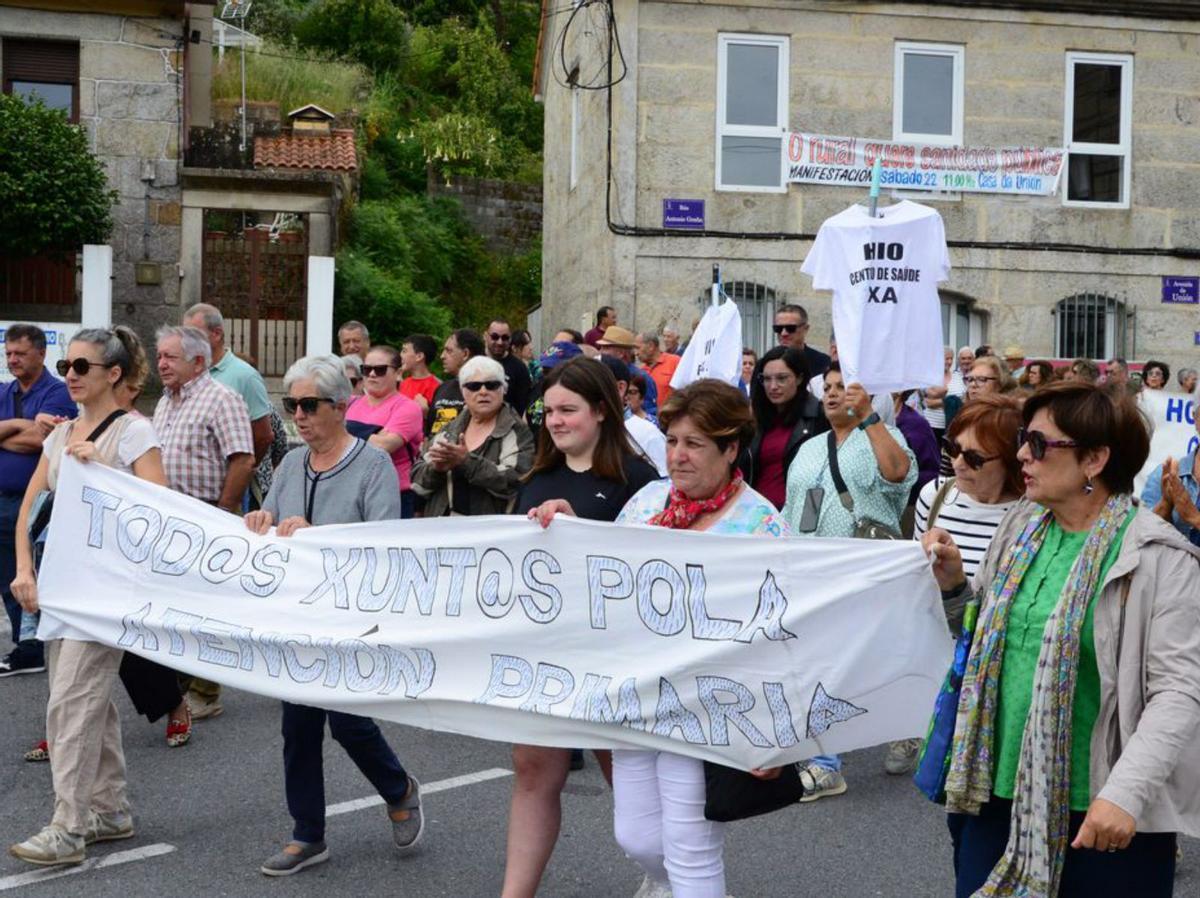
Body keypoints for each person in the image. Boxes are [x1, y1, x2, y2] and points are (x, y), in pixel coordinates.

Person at [924, 382, 1198, 898]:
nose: (1023, 454)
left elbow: (1178, 693)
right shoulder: (1020, 529)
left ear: (1095, 459)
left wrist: (1124, 795)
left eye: (1040, 443)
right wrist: (956, 587)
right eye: (1026, 440)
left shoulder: (1160, 556)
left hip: (1102, 808)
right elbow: (980, 642)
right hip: (994, 792)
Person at [601, 380, 787, 898]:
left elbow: (784, 633)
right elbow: (598, 576)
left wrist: (774, 731)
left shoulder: (762, 526)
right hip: (636, 697)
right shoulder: (645, 503)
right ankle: (670, 887)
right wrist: (562, 529)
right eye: (673, 441)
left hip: (708, 706)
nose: (678, 456)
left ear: (730, 449)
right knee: (636, 837)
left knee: (690, 846)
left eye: (694, 444)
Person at [244, 355, 423, 876]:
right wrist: (261, 520)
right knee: (297, 727)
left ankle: (399, 788)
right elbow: (274, 520)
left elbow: (382, 547)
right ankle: (307, 835)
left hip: (348, 620)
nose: (297, 416)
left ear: (340, 407)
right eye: (290, 405)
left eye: (308, 405)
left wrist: (316, 533)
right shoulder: (291, 463)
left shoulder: (371, 467)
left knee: (347, 722)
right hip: (295, 619)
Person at [8, 327, 167, 867]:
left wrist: (100, 467)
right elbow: (30, 509)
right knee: (86, 704)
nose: (70, 375)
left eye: (82, 367)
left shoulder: (133, 434)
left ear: (113, 374)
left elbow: (159, 516)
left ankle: (68, 827)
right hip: (62, 589)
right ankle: (109, 809)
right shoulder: (58, 435)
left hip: (108, 593)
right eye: (67, 365)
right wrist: (25, 569)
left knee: (70, 704)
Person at [503, 358, 660, 898]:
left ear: (601, 411)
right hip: (545, 652)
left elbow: (653, 570)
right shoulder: (534, 477)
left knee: (627, 777)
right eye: (548, 411)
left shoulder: (640, 481)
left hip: (614, 657)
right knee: (532, 771)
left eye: (568, 410)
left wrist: (586, 531)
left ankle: (667, 874)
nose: (554, 420)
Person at [781, 362, 915, 799]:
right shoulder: (809, 448)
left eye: (846, 387)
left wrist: (871, 419)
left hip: (864, 571)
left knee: (868, 662)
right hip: (810, 570)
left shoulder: (884, 437)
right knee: (822, 663)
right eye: (830, 387)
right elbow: (792, 506)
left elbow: (897, 475)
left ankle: (909, 721)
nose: (835, 394)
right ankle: (824, 762)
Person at [153, 325, 254, 721]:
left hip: (205, 515)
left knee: (203, 608)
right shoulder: (165, 402)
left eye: (170, 357)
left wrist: (222, 513)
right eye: (159, 355)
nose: (161, 363)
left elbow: (242, 458)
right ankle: (181, 683)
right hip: (168, 521)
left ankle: (206, 692)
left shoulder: (221, 399)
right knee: (174, 607)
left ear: (198, 361)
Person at [0, 324, 74, 677]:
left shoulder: (58, 393)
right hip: (2, 499)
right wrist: (21, 423)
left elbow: (44, 442)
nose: (12, 359)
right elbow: (30, 433)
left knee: (34, 572)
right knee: (6, 576)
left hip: (38, 503)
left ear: (42, 354)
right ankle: (25, 645)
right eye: (9, 353)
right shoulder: (5, 390)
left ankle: (40, 641)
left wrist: (9, 432)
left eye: (20, 353)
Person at [412, 355, 534, 516]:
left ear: (503, 389)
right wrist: (436, 469)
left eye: (491, 385)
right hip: (444, 531)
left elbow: (518, 482)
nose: (483, 392)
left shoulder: (518, 431)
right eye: (474, 386)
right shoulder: (448, 430)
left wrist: (467, 462)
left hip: (491, 533)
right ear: (463, 392)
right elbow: (417, 484)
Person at [742, 345, 827, 511]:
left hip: (799, 517)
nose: (773, 386)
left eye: (782, 378)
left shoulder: (818, 416)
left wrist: (809, 519)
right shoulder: (755, 419)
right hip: (756, 516)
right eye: (767, 379)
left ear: (799, 378)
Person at [346, 345, 424, 519]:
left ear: (397, 373)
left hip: (394, 495)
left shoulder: (408, 407)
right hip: (352, 492)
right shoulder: (350, 403)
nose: (372, 374)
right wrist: (373, 433)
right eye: (366, 370)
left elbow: (384, 446)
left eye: (380, 370)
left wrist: (348, 430)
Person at [1141, 398, 1200, 547]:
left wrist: (1194, 517)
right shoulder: (1165, 474)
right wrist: (1166, 503)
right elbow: (1143, 534)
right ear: (1195, 418)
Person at [598, 355, 668, 477]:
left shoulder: (647, 434)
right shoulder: (581, 432)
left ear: (620, 387)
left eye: (593, 383)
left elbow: (664, 484)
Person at [894, 389, 941, 536]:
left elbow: (932, 472)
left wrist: (902, 479)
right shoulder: (861, 423)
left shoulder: (915, 425)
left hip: (909, 508)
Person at [428, 328, 485, 437]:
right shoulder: (443, 388)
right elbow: (429, 431)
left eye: (449, 351)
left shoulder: (484, 391)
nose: (442, 356)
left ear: (465, 354)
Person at [597, 326, 657, 415]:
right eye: (601, 347)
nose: (601, 352)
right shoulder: (601, 374)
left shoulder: (641, 378)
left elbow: (649, 412)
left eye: (606, 348)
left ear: (620, 353)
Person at [486, 318, 533, 415]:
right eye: (495, 337)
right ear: (486, 336)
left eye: (505, 338)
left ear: (510, 339)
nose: (500, 342)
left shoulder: (519, 368)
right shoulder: (475, 363)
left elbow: (522, 407)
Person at [773, 303, 830, 377]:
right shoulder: (766, 363)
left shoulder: (823, 363)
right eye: (778, 329)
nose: (783, 333)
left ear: (805, 329)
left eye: (790, 328)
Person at [399, 334, 441, 413]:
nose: (400, 355)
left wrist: (426, 412)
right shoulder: (403, 383)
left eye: (404, 351)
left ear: (419, 356)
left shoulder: (437, 386)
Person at [636, 333, 680, 404]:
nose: (636, 353)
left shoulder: (675, 362)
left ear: (651, 346)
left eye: (638, 348)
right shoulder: (641, 372)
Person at [922, 347, 955, 442]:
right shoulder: (929, 376)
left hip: (951, 426)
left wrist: (937, 401)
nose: (949, 362)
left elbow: (963, 400)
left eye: (951, 359)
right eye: (946, 358)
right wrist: (950, 401)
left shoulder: (957, 376)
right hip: (931, 424)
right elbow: (928, 402)